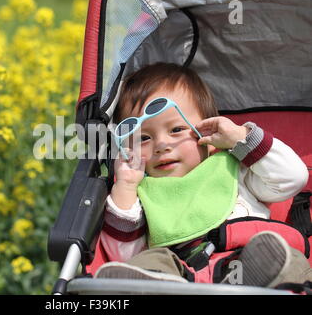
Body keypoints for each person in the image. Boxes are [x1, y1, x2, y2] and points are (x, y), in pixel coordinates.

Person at [95, 62, 311, 287]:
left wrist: (239, 137)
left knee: (286, 258)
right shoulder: (142, 194)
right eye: (143, 138)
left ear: (208, 130)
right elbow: (124, 255)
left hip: (248, 266)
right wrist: (126, 187)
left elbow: (292, 178)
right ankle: (149, 287)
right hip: (183, 279)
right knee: (149, 261)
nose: (161, 145)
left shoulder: (234, 168)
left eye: (176, 130)